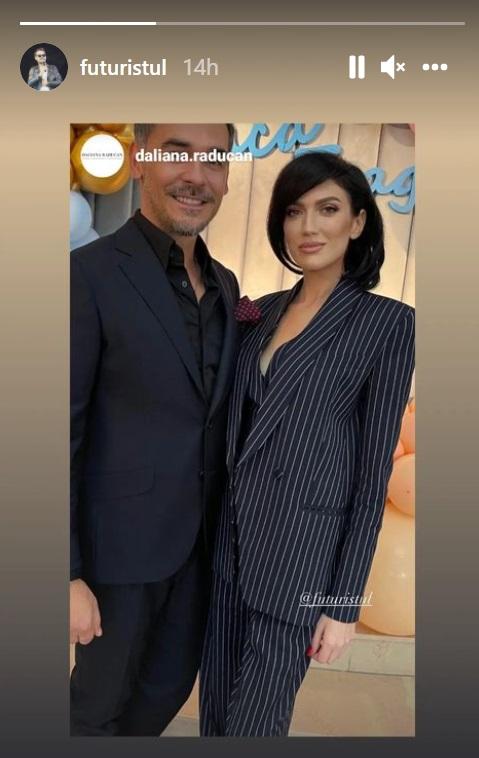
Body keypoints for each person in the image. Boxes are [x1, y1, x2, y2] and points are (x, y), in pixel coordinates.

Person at [199, 151, 415, 737]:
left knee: (255, 725)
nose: (308, 226)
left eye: (328, 209)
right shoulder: (259, 313)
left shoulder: (388, 323)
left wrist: (343, 605)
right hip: (228, 550)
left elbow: (372, 476)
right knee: (215, 717)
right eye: (294, 211)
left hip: (300, 561)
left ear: (358, 222)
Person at [70, 123, 240, 735]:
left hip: (201, 552)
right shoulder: (86, 274)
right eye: (177, 152)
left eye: (214, 158)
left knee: (161, 699)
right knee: (94, 713)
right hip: (116, 556)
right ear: (140, 160)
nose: (196, 174)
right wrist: (66, 573)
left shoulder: (226, 286)